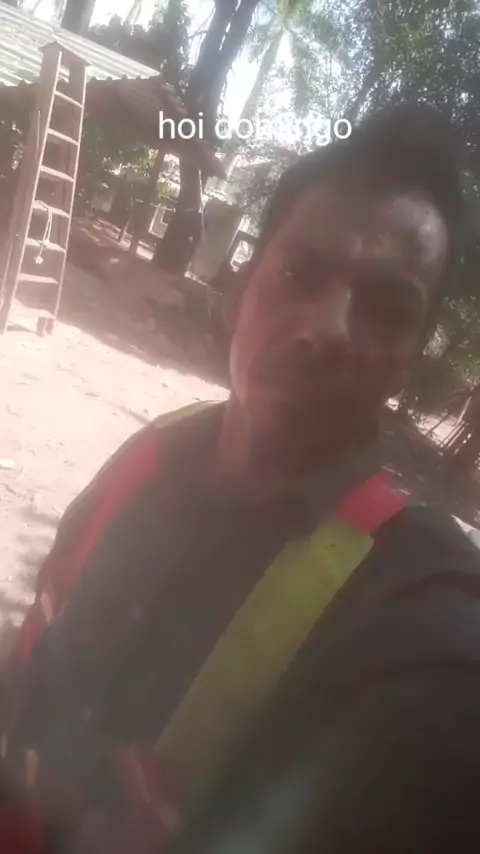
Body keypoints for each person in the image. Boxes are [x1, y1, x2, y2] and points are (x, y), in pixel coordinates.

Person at [3, 104, 480, 854]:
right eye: (298, 274)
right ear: (239, 290)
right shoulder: (148, 457)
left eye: (387, 310)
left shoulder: (420, 616)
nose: (324, 329)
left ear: (408, 363)